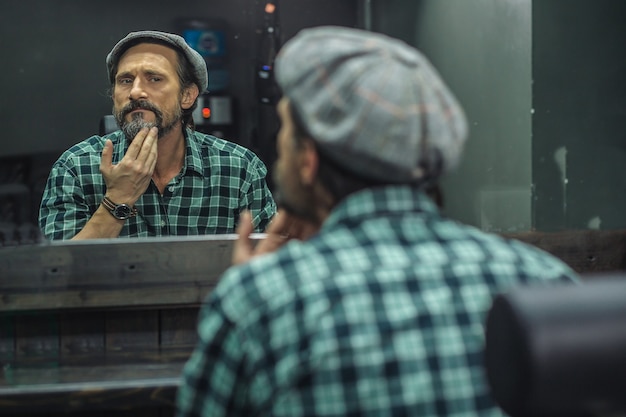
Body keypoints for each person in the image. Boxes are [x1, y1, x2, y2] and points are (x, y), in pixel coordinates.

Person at [176, 26, 579, 417]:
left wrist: (254, 294)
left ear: (308, 160)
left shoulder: (256, 300)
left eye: (287, 130)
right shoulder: (544, 281)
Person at [39, 31, 276, 240]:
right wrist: (118, 198)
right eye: (126, 80)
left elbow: (268, 268)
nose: (135, 91)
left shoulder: (239, 169)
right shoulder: (76, 168)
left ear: (187, 96)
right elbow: (60, 274)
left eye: (154, 78)